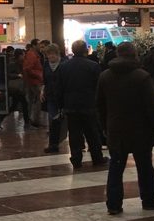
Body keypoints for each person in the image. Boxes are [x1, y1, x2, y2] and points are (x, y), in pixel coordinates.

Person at [97, 41, 154, 215]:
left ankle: (113, 205)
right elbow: (152, 107)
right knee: (145, 167)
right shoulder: (142, 76)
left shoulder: (105, 76)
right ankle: (150, 201)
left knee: (116, 168)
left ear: (117, 54)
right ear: (134, 55)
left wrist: (105, 127)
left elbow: (99, 105)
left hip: (116, 129)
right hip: (141, 131)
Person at [52, 40, 106, 169]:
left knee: (74, 134)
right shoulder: (93, 66)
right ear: (85, 50)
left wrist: (60, 105)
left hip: (71, 105)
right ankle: (97, 158)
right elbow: (99, 87)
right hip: (89, 104)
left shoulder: (63, 67)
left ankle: (76, 159)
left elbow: (59, 88)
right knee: (92, 133)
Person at [41, 44, 64, 153]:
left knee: (63, 121)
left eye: (53, 54)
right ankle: (53, 145)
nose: (51, 56)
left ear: (57, 54)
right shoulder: (46, 65)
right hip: (50, 95)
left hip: (62, 96)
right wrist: (42, 90)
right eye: (49, 54)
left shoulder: (63, 64)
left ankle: (59, 141)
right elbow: (45, 80)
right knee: (52, 120)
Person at [22, 40, 44, 128]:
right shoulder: (32, 55)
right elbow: (28, 68)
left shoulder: (33, 54)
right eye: (39, 45)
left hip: (31, 81)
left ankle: (30, 120)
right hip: (35, 81)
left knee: (31, 101)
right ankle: (35, 120)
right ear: (34, 45)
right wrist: (39, 75)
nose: (40, 47)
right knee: (38, 100)